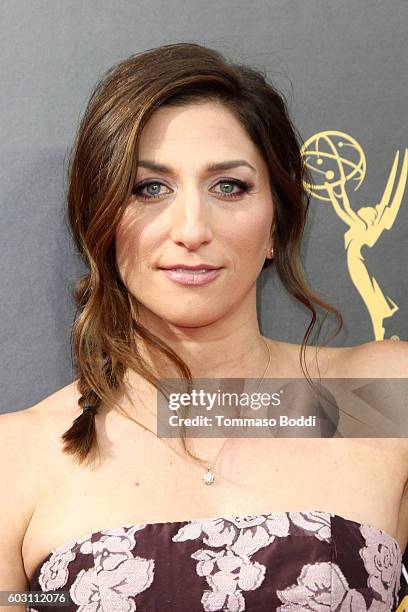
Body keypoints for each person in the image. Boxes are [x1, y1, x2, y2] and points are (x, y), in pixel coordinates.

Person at [0, 42, 407, 612]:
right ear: (100, 221)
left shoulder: (380, 396)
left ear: (276, 225)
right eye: (149, 188)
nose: (191, 228)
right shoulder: (17, 455)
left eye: (229, 186)